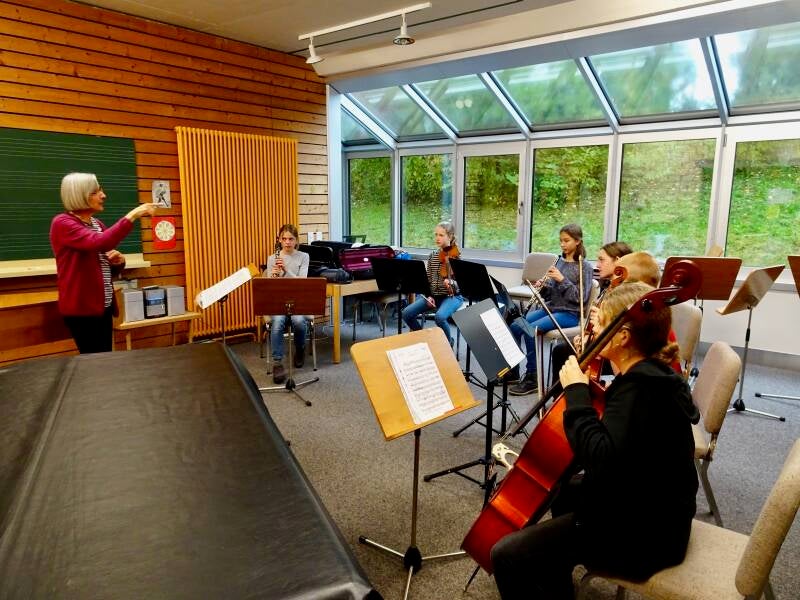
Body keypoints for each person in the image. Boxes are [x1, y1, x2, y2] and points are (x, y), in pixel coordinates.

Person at [491, 281, 700, 599]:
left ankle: (557, 564)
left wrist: (576, 392)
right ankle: (557, 580)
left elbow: (599, 460)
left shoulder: (639, 391)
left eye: (600, 323)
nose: (593, 330)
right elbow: (621, 449)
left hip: (646, 538)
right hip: (659, 511)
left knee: (505, 554)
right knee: (562, 489)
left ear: (623, 337)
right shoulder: (653, 375)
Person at [50, 172, 156, 354]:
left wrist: (118, 262)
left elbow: (103, 260)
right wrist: (133, 215)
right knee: (94, 361)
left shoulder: (97, 224)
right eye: (95, 192)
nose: (103, 195)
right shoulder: (62, 223)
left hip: (102, 306)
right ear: (79, 195)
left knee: (104, 358)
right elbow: (100, 242)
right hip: (82, 310)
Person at [509, 223, 594, 395]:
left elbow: (580, 298)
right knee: (515, 326)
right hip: (552, 308)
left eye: (566, 241)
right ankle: (514, 371)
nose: (562, 244)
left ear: (578, 241)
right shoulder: (559, 262)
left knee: (530, 330)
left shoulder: (584, 266)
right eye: (561, 240)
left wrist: (562, 280)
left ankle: (532, 377)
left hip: (570, 314)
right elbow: (551, 296)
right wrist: (544, 287)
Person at [549, 241, 633, 376]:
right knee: (562, 350)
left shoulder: (626, 293)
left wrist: (602, 318)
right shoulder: (609, 287)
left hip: (616, 351)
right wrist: (584, 336)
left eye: (601, 260)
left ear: (617, 261)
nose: (597, 265)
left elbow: (623, 330)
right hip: (600, 342)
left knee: (562, 352)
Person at [401, 221, 464, 346]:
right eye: (436, 234)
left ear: (450, 236)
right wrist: (428, 296)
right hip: (433, 295)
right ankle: (425, 340)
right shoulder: (433, 256)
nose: (437, 238)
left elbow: (461, 285)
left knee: (439, 317)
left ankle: (448, 343)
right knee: (406, 313)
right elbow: (428, 279)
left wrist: (452, 282)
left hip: (452, 297)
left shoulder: (456, 257)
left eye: (441, 235)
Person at [264, 224, 310, 384]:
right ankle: (278, 363)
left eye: (291, 239)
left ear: (296, 240)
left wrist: (286, 271)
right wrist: (273, 277)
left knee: (298, 321)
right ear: (279, 240)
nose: (287, 242)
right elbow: (269, 288)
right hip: (278, 301)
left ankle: (300, 349)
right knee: (277, 322)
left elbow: (302, 283)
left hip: (297, 300)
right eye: (284, 239)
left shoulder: (304, 257)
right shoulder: (272, 258)